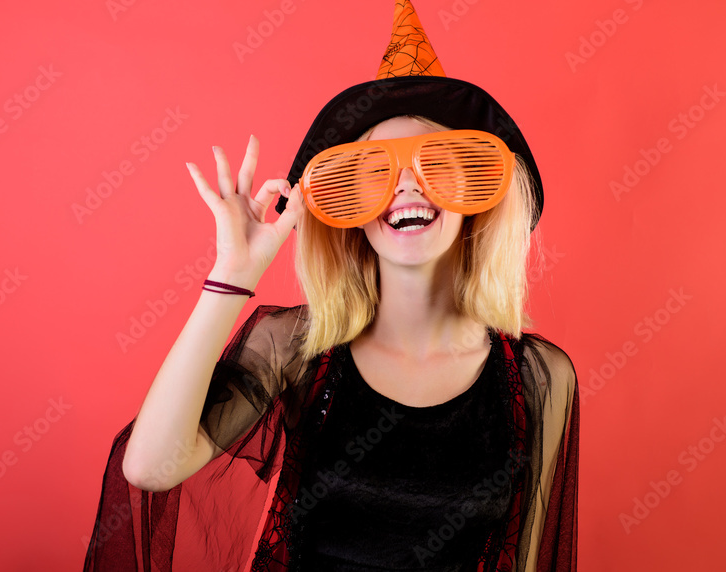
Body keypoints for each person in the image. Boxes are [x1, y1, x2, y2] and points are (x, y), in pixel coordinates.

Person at [83, 2, 578, 570]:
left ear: (478, 200)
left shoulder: (540, 378)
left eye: (438, 164)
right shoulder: (296, 349)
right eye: (372, 173)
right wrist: (233, 276)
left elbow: (528, 556)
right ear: (346, 210)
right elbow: (150, 467)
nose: (406, 187)